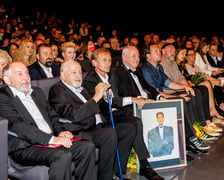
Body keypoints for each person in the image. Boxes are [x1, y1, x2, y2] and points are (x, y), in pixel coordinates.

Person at [0, 61, 97, 180]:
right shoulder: (3, 97)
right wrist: (52, 139)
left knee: (86, 147)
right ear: (7, 80)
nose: (26, 77)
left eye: (27, 73)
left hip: (50, 138)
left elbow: (52, 116)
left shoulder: (37, 92)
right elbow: (19, 126)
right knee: (62, 155)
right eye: (19, 74)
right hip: (26, 145)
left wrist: (60, 131)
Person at [82, 47, 164, 180]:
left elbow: (123, 93)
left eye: (109, 60)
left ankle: (125, 170)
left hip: (118, 112)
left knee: (134, 124)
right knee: (133, 124)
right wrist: (132, 99)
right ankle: (144, 165)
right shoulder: (90, 80)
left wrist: (136, 98)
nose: (108, 63)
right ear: (94, 63)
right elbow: (105, 103)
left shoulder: (112, 76)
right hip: (106, 116)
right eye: (104, 60)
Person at [48, 60, 120, 180]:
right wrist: (96, 97)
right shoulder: (57, 90)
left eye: (80, 73)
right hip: (77, 130)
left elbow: (96, 108)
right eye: (74, 72)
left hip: (96, 125)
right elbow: (74, 116)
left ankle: (108, 176)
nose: (78, 76)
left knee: (119, 130)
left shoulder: (82, 89)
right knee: (109, 134)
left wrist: (104, 98)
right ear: (63, 75)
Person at [140, 43, 211, 153]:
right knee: (181, 100)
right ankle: (191, 138)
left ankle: (198, 128)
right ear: (148, 55)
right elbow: (154, 92)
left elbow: (168, 83)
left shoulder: (157, 67)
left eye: (159, 51)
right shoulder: (146, 69)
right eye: (156, 51)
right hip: (155, 100)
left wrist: (184, 87)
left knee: (191, 93)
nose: (159, 53)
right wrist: (175, 96)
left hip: (162, 95)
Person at [159, 44, 223, 136]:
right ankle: (201, 125)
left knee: (203, 89)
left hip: (180, 87)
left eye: (174, 51)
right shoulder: (162, 64)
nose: (173, 53)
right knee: (196, 92)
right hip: (171, 91)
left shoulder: (173, 63)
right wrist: (186, 87)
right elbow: (170, 83)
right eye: (171, 50)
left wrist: (189, 87)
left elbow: (182, 78)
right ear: (163, 51)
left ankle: (207, 121)